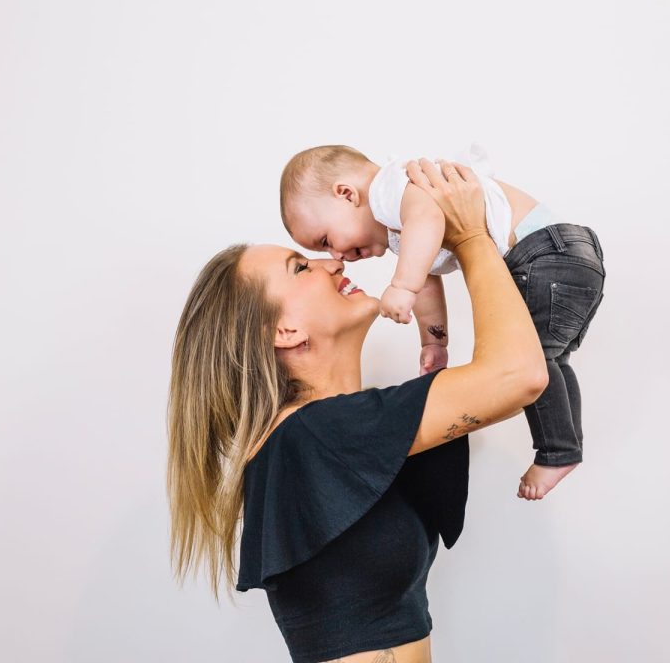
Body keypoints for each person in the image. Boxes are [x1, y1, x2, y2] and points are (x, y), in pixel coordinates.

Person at [167, 160, 548, 663]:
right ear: (285, 333)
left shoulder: (332, 434)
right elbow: (518, 374)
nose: (334, 263)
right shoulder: (317, 436)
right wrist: (472, 233)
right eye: (302, 267)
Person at [279, 144, 605, 500]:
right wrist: (434, 341)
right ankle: (565, 448)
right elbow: (428, 277)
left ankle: (556, 452)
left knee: (535, 357)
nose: (337, 257)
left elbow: (428, 222)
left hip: (542, 253)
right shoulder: (400, 222)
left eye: (326, 240)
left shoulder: (387, 189)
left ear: (345, 194)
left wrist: (401, 285)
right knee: (552, 359)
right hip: (570, 252)